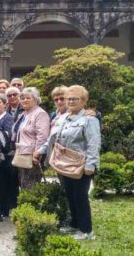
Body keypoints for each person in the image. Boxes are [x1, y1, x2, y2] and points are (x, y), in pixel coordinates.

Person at [34, 85, 100, 240]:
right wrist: (42, 151)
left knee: (80, 196)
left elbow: (93, 144)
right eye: (68, 99)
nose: (71, 101)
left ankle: (86, 230)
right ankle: (75, 225)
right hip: (64, 163)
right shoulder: (63, 118)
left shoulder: (90, 120)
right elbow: (53, 138)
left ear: (84, 101)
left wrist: (90, 165)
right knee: (70, 195)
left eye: (75, 99)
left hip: (81, 165)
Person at [13, 87, 50, 190]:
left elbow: (42, 136)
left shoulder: (40, 113)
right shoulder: (24, 114)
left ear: (36, 99)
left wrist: (37, 155)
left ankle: (31, 206)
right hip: (22, 155)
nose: (25, 100)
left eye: (28, 98)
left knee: (31, 187)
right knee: (23, 185)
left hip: (32, 156)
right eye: (23, 98)